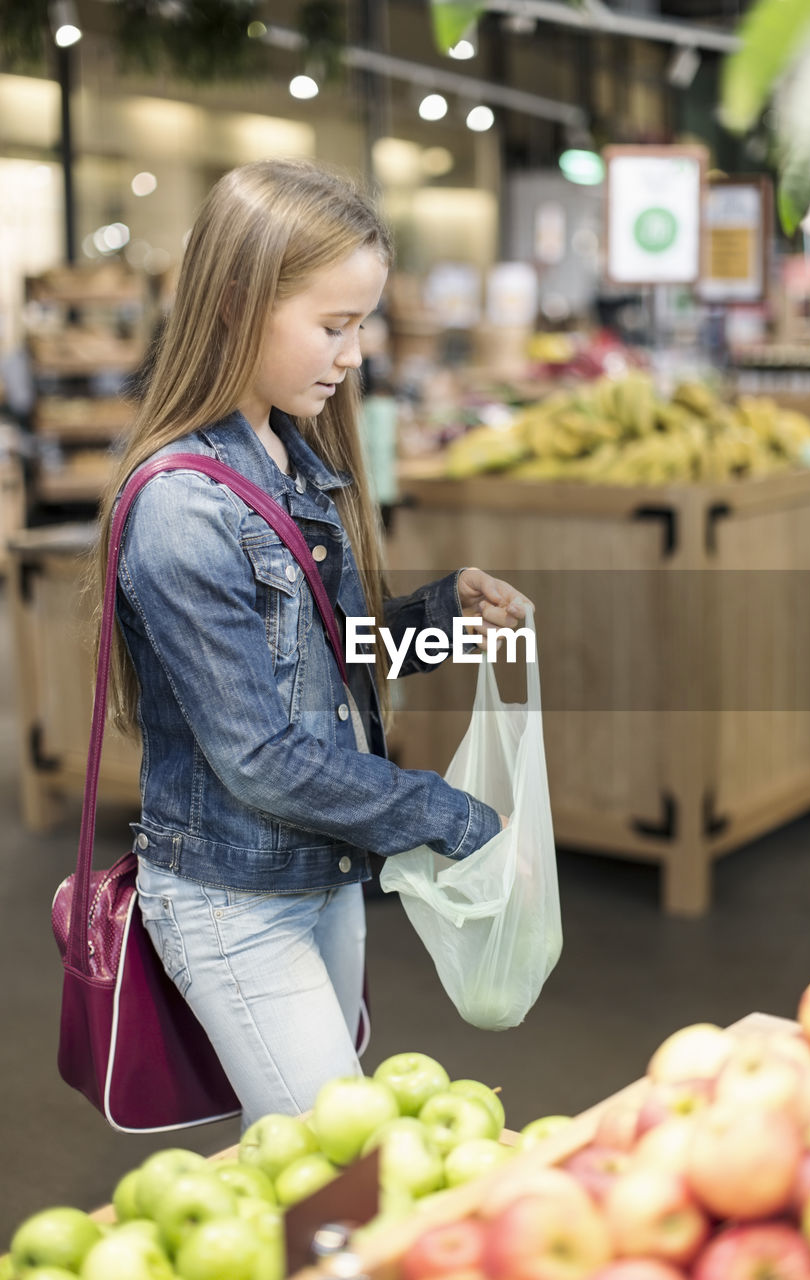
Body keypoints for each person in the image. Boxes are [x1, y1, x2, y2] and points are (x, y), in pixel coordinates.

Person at [95, 158, 532, 1127]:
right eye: (334, 325)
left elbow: (324, 670)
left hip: (323, 875)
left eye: (362, 323)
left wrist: (438, 617)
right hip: (232, 901)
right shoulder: (183, 507)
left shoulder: (294, 458)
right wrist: (452, 819)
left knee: (301, 1166)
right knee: (345, 1160)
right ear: (238, 304)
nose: (356, 352)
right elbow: (258, 754)